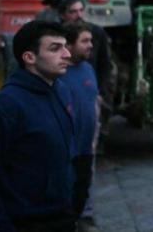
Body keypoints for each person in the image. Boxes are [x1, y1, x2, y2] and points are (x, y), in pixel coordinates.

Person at [0, 20, 77, 232]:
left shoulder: (61, 91)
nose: (67, 55)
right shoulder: (4, 107)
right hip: (25, 221)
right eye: (55, 48)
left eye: (65, 46)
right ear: (29, 57)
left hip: (62, 217)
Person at [62, 21, 100, 232]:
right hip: (67, 153)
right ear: (70, 44)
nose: (90, 45)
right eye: (84, 41)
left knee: (80, 195)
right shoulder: (58, 72)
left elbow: (93, 102)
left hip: (86, 152)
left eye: (91, 40)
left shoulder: (88, 69)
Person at [57, 0, 114, 114]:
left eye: (81, 10)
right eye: (73, 12)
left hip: (91, 89)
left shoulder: (96, 32)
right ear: (63, 15)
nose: (79, 15)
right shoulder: (56, 34)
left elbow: (105, 64)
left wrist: (102, 92)